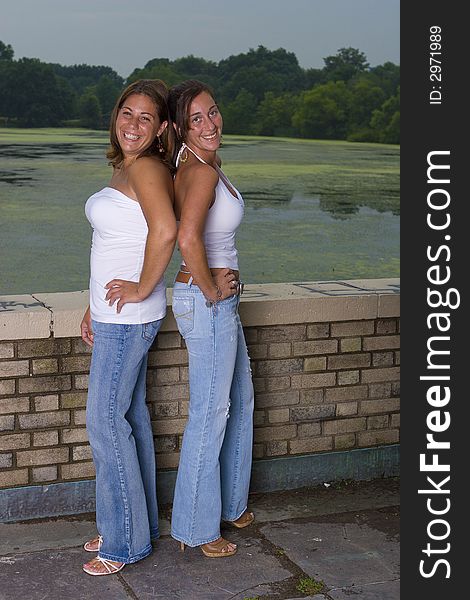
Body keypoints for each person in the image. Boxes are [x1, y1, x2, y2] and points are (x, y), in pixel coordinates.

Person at [79, 79, 177, 575]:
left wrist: (139, 288)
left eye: (145, 118)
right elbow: (113, 243)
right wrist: (93, 304)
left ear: (160, 128)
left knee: (104, 423)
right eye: (126, 114)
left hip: (130, 317)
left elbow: (166, 231)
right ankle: (135, 525)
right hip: (113, 314)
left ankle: (124, 542)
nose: (132, 125)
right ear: (115, 116)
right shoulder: (126, 166)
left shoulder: (146, 167)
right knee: (130, 419)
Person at [168, 80, 255, 558]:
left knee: (239, 399)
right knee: (210, 414)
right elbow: (186, 240)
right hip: (206, 304)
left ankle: (231, 503)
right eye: (196, 119)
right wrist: (210, 289)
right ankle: (197, 528)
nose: (210, 124)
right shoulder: (198, 172)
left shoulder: (204, 164)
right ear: (181, 128)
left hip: (217, 302)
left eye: (213, 113)